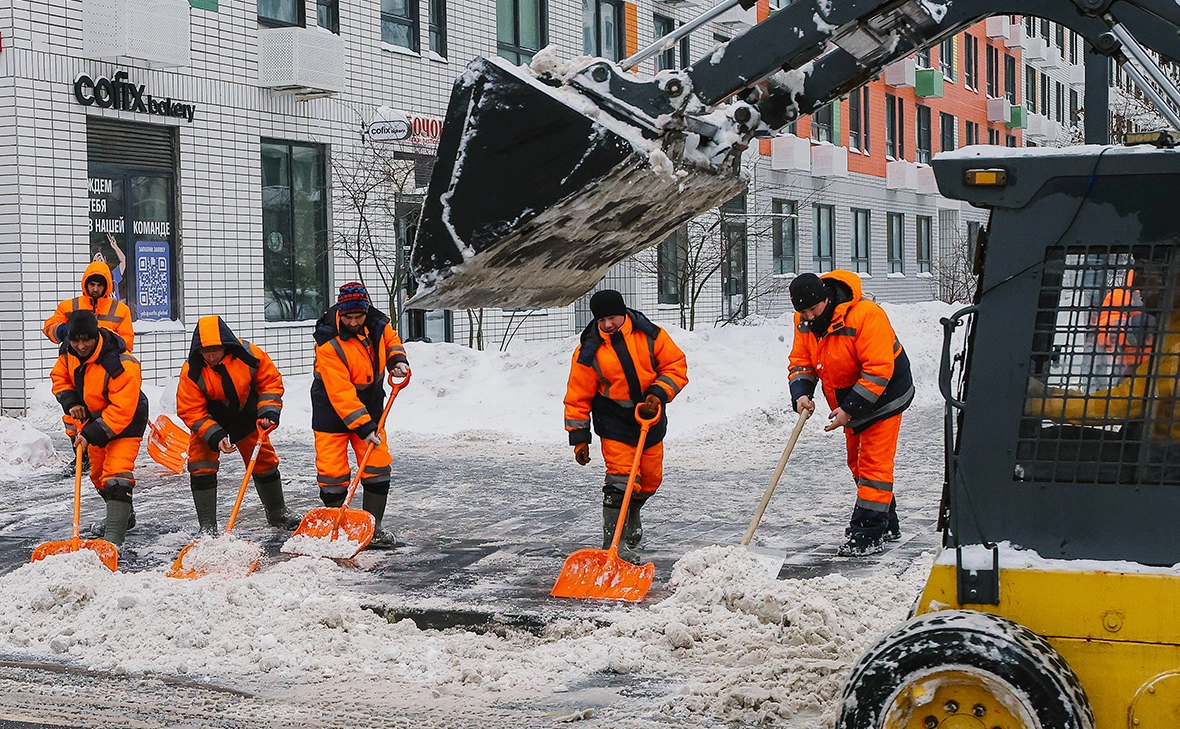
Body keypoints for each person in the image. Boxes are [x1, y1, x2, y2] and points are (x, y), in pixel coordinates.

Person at [787, 271, 914, 556]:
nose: (808, 315)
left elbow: (878, 370)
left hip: (885, 396)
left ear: (826, 298)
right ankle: (886, 522)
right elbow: (801, 361)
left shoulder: (866, 315)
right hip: (849, 398)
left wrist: (848, 410)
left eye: (813, 308)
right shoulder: (804, 322)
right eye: (802, 311)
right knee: (856, 464)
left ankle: (867, 533)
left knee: (873, 467)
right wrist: (801, 392)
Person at [564, 289, 688, 561]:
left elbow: (675, 367)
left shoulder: (651, 335)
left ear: (623, 313)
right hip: (614, 419)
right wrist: (580, 437)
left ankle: (632, 513)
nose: (608, 325)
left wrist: (657, 393)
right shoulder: (589, 351)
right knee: (621, 478)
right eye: (601, 320)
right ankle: (614, 543)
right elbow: (578, 395)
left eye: (612, 318)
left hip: (649, 415)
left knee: (650, 479)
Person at [176, 316, 299, 535]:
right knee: (200, 464)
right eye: (206, 351)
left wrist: (268, 411)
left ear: (227, 344)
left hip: (247, 415)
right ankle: (208, 527)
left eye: (216, 350)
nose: (211, 356)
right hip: (211, 420)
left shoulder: (250, 355)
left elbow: (269, 382)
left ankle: (277, 512)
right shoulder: (192, 371)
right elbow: (190, 410)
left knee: (264, 460)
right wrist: (214, 435)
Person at [311, 282, 409, 549]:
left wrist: (397, 360)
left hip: (371, 403)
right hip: (331, 409)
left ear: (366, 311)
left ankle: (372, 528)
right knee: (332, 472)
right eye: (348, 317)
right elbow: (340, 392)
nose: (354, 322)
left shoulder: (378, 324)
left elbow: (391, 341)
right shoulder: (328, 342)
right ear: (340, 313)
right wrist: (365, 428)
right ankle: (337, 528)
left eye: (359, 316)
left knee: (377, 465)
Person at [50, 310, 148, 549]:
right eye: (75, 339)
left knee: (116, 473)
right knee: (98, 475)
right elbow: (59, 378)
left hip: (128, 419)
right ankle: (125, 515)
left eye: (86, 339)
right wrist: (72, 402)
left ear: (96, 336)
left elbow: (122, 409)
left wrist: (90, 434)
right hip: (94, 419)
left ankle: (113, 541)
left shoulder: (120, 363)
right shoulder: (67, 353)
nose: (81, 345)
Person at [43, 261, 135, 475]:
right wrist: (65, 331)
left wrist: (103, 338)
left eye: (99, 285)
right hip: (75, 368)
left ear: (107, 287)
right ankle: (80, 456)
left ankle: (107, 454)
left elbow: (127, 341)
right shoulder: (70, 306)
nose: (95, 289)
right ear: (85, 284)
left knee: (107, 411)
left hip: (104, 370)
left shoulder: (119, 310)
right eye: (92, 284)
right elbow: (49, 326)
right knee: (73, 416)